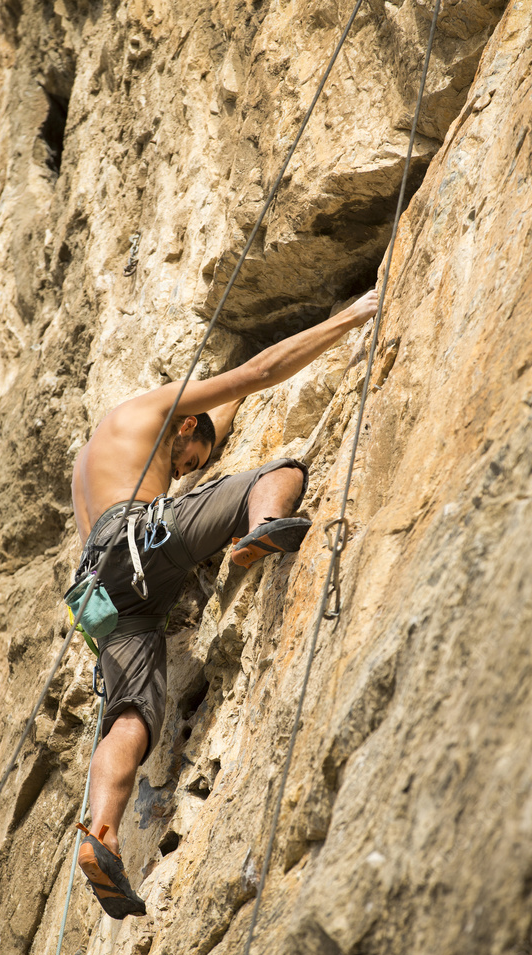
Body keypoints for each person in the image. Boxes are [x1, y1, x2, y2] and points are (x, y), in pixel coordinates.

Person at [71, 289, 378, 918]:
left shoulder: (99, 455)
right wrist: (349, 315)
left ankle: (100, 834)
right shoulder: (154, 409)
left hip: (103, 594)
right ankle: (258, 528)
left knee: (131, 718)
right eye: (193, 457)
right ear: (186, 425)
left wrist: (220, 419)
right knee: (281, 472)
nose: (187, 470)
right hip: (138, 540)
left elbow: (227, 408)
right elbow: (257, 374)